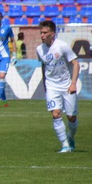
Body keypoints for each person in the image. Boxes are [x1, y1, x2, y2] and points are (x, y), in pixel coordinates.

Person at [36, 19, 79, 153]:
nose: (42, 35)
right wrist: (45, 86)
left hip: (67, 86)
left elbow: (76, 64)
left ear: (52, 34)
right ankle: (65, 145)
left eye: (45, 33)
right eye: (41, 32)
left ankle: (70, 137)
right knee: (56, 114)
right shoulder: (39, 49)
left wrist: (73, 84)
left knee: (71, 117)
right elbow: (44, 67)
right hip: (51, 86)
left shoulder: (62, 46)